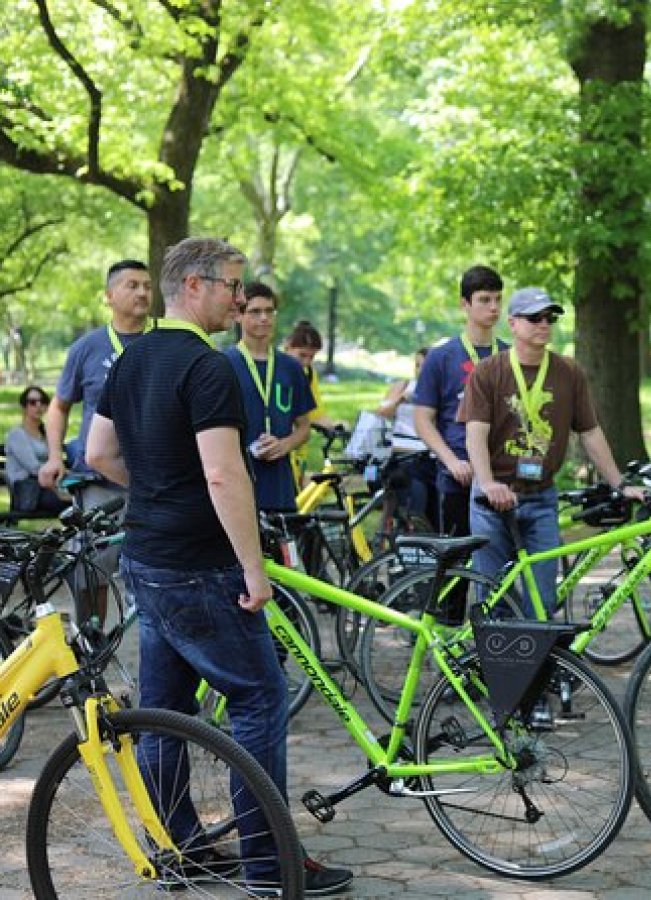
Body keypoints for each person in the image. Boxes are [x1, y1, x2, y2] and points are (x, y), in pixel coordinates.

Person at [85, 236, 352, 895]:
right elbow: (224, 475)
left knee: (166, 711)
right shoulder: (210, 367)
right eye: (234, 285)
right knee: (260, 699)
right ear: (196, 285)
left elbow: (98, 453)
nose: (241, 298)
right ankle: (269, 865)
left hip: (145, 556)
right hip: (204, 566)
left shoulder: (133, 356)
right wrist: (254, 570)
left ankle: (178, 849)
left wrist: (155, 491)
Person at [462, 287, 640, 616]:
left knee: (543, 601)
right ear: (513, 324)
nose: (544, 324)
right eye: (534, 318)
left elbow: (589, 431)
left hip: (541, 497)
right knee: (493, 597)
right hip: (492, 500)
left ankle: (534, 665)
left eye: (550, 318)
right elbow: (475, 435)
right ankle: (496, 666)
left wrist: (619, 482)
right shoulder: (489, 371)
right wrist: (486, 483)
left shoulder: (568, 372)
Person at [38, 259, 152, 509]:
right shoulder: (87, 348)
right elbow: (59, 406)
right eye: (132, 286)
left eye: (147, 286)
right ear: (109, 296)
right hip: (101, 483)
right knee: (104, 549)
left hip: (159, 480)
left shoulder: (167, 340)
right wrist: (55, 457)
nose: (142, 293)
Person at [413, 265, 507, 536]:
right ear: (464, 304)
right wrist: (451, 461)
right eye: (484, 300)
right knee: (459, 571)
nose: (493, 308)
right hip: (459, 477)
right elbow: (423, 419)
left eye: (498, 299)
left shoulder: (509, 355)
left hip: (503, 476)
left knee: (504, 569)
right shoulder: (440, 357)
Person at [224, 283, 316, 512]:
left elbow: (304, 427)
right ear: (238, 315)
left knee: (282, 548)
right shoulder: (223, 364)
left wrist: (285, 445)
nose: (264, 318)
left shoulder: (291, 367)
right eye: (255, 311)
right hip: (237, 481)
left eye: (270, 311)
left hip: (280, 486)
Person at [376, 347, 437, 525]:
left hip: (426, 451)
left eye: (424, 367)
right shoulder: (402, 386)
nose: (419, 371)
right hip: (401, 450)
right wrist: (401, 399)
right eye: (417, 366)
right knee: (413, 493)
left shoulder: (438, 390)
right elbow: (381, 413)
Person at [282, 319, 336, 485]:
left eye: (311, 357)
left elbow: (316, 410)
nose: (306, 362)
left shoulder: (309, 373)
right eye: (302, 355)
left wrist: (334, 425)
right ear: (287, 347)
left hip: (300, 450)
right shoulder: (277, 370)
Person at [5, 386, 69, 516]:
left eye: (43, 401)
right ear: (24, 407)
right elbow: (34, 468)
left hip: (48, 487)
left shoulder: (45, 433)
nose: (38, 406)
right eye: (33, 402)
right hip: (29, 492)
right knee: (75, 502)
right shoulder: (17, 434)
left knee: (81, 499)